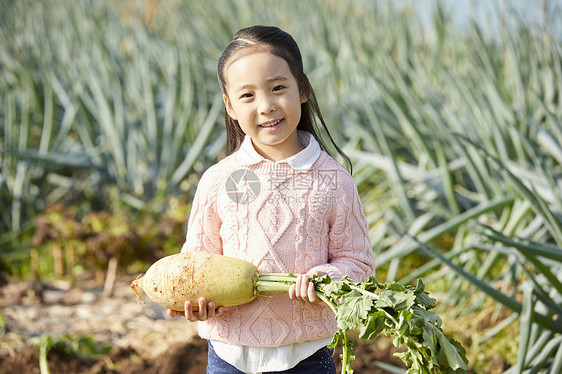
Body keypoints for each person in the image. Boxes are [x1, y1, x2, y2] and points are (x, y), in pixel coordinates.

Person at [169, 25, 375, 374]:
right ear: (230, 106)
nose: (266, 106)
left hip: (306, 356)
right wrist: (197, 302)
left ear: (303, 89)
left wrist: (326, 277)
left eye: (278, 88)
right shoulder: (219, 180)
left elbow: (358, 264)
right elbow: (196, 265)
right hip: (228, 356)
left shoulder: (333, 181)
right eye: (247, 96)